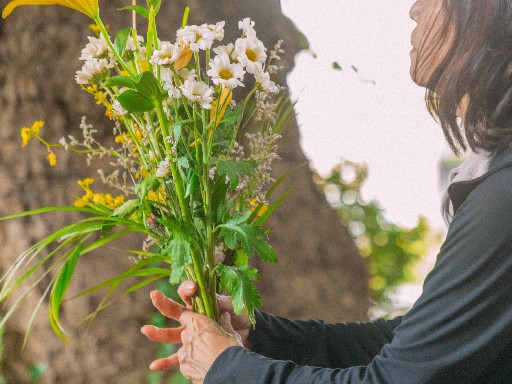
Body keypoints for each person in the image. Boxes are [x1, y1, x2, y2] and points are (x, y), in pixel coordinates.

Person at [140, 0, 512, 382]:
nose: (414, 9)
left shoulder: (503, 197)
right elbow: (410, 342)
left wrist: (226, 368)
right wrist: (258, 336)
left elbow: (394, 378)